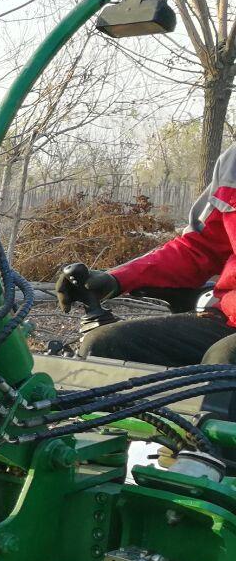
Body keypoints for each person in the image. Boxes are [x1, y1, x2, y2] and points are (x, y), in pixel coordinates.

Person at [70, 145, 236, 417]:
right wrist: (117, 278)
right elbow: (199, 248)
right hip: (229, 320)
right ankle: (96, 451)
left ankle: (204, 456)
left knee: (224, 362)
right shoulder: (234, 164)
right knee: (105, 346)